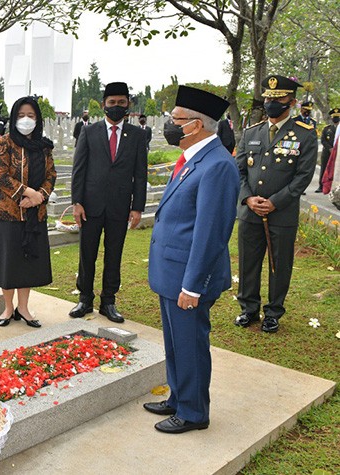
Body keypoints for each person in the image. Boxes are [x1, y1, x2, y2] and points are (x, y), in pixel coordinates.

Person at [146, 85, 239, 434]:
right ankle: (178, 396)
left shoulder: (217, 165)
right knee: (175, 341)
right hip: (172, 271)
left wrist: (193, 285)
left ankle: (194, 412)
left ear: (196, 125)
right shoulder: (192, 159)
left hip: (189, 277)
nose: (170, 125)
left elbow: (211, 232)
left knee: (191, 344)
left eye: (175, 120)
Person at [234, 75, 318, 333]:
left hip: (281, 214)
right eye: (268, 98)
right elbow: (238, 172)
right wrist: (248, 198)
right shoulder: (251, 132)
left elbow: (303, 177)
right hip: (250, 211)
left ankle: (273, 312)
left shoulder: (305, 135)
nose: (271, 102)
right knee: (248, 261)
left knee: (279, 264)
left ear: (291, 102)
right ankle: (249, 309)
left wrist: (274, 203)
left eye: (278, 99)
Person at [69, 82, 148, 323]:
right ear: (104, 104)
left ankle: (108, 301)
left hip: (119, 205)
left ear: (128, 105)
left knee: (114, 254)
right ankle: (85, 298)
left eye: (121, 103)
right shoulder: (89, 131)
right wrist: (77, 202)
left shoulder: (136, 135)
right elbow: (79, 169)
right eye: (111, 103)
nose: (116, 107)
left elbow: (140, 173)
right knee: (87, 253)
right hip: (90, 206)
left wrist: (137, 207)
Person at [0, 96, 57, 328]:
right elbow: (1, 175)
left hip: (34, 215)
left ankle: (23, 308)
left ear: (38, 119)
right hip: (7, 214)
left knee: (27, 264)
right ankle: (7, 308)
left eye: (31, 116)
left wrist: (39, 197)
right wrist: (26, 193)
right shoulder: (4, 142)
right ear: (14, 117)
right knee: (9, 263)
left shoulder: (44, 146)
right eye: (22, 115)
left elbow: (51, 175)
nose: (26, 120)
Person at [316, 108, 339, 193]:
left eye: (337, 117)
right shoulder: (327, 128)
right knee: (324, 168)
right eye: (334, 117)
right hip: (327, 151)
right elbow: (323, 140)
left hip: (338, 152)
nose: (335, 119)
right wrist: (330, 148)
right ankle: (321, 186)